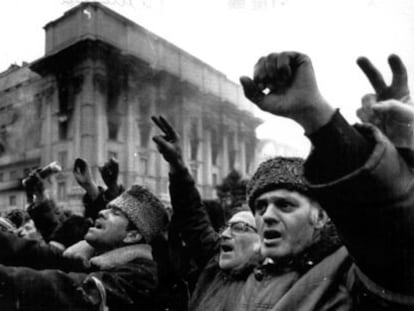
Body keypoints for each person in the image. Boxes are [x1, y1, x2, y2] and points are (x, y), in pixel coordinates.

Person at [238, 51, 414, 310]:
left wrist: (315, 115)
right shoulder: (245, 277)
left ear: (320, 217)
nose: (268, 216)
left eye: (285, 205)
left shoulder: (352, 275)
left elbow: (388, 233)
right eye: (260, 207)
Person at [0, 183, 169, 310]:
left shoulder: (140, 276)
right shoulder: (89, 256)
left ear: (132, 236)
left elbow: (69, 291)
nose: (102, 212)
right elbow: (34, 253)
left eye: (115, 213)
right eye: (107, 208)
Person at [152, 116, 261, 311]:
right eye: (226, 227)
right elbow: (193, 216)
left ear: (262, 241)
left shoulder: (269, 287)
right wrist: (177, 164)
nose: (225, 234)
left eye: (239, 228)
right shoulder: (214, 264)